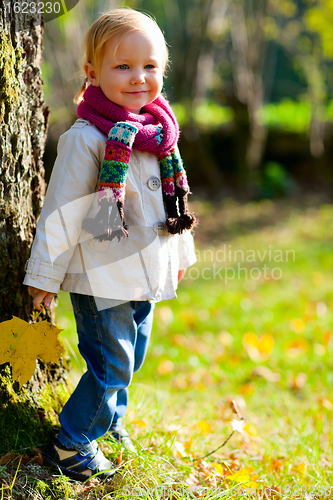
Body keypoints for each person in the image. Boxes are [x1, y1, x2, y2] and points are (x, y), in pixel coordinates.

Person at [23, 8, 197, 482]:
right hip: (103, 278)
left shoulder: (161, 137)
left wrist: (180, 256)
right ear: (92, 73)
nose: (139, 78)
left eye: (150, 67)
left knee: (132, 356)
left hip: (146, 273)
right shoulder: (87, 139)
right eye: (122, 66)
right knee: (111, 365)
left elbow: (174, 204)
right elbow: (61, 213)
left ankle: (109, 423)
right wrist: (44, 276)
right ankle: (71, 443)